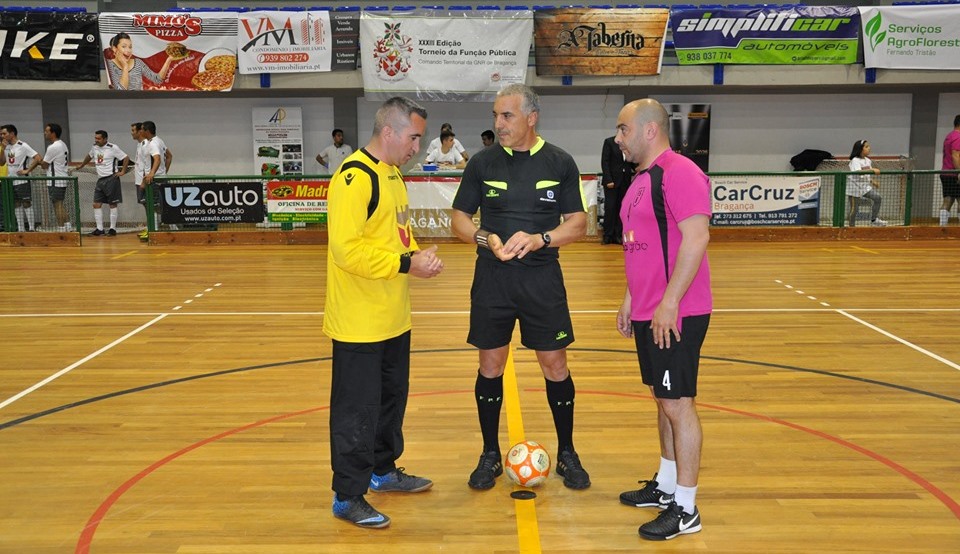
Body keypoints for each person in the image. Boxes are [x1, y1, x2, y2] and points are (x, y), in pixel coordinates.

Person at [451, 84, 591, 491]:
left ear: (532, 118)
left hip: (542, 281)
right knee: (490, 366)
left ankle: (567, 452)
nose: (498, 123)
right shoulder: (482, 163)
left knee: (556, 366)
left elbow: (578, 224)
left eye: (507, 116)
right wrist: (485, 238)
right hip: (492, 281)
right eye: (496, 115)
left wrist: (540, 239)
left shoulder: (560, 162)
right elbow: (459, 218)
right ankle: (489, 454)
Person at [324, 96, 443, 529]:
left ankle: (383, 470)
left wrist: (416, 254)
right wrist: (407, 264)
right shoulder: (354, 178)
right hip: (359, 321)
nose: (417, 147)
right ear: (389, 132)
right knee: (356, 410)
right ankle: (347, 495)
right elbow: (346, 250)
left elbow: (395, 236)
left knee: (391, 401)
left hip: (394, 317)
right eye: (413, 138)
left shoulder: (392, 175)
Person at [613, 98, 712, 541]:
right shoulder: (640, 181)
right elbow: (642, 246)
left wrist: (670, 301)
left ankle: (686, 509)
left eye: (622, 129)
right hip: (650, 309)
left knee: (678, 404)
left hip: (678, 311)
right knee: (662, 398)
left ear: (649, 130)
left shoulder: (681, 172)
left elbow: (696, 238)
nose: (618, 138)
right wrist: (631, 297)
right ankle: (667, 484)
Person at [76, 130, 130, 236]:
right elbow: (89, 156)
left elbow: (126, 158)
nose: (96, 140)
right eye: (95, 138)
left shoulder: (113, 147)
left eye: (99, 138)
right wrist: (82, 165)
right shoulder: (94, 147)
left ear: (105, 139)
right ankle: (99, 229)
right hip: (100, 179)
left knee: (112, 204)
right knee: (96, 204)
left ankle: (112, 229)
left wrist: (122, 171)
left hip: (111, 178)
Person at [23, 123, 71, 231]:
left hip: (56, 180)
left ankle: (61, 228)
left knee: (57, 204)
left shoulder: (53, 147)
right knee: (59, 204)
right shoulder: (62, 144)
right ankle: (68, 226)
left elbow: (45, 165)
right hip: (62, 178)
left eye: (47, 131)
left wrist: (38, 160)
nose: (45, 133)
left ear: (53, 133)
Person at [0, 124, 41, 232]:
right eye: (1, 134)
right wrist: (2, 149)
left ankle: (32, 228)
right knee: (16, 204)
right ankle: (21, 228)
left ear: (12, 133)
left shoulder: (23, 145)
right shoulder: (6, 146)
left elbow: (38, 158)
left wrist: (28, 170)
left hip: (22, 180)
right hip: (10, 180)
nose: (2, 136)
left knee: (26, 202)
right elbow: (1, 162)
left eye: (4, 133)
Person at [600, 135, 637, 245]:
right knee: (610, 208)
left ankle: (618, 235)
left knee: (622, 209)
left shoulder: (630, 143)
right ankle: (607, 235)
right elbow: (605, 162)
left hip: (625, 181)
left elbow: (631, 161)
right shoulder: (609, 142)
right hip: (612, 182)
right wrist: (608, 179)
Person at [106, 32, 172, 91]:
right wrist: (125, 67)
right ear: (115, 49)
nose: (128, 50)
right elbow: (120, 92)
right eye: (124, 46)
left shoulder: (138, 63)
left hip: (138, 103)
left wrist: (169, 59)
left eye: (130, 47)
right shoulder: (109, 65)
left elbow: (157, 80)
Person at [141, 120, 174, 236]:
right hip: (161, 177)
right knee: (163, 205)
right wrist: (164, 172)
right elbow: (169, 156)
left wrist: (152, 173)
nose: (140, 132)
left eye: (142, 129)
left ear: (147, 131)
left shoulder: (153, 144)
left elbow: (158, 159)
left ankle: (153, 231)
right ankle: (171, 227)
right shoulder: (160, 140)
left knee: (153, 205)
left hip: (155, 180)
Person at [846, 139, 887, 227]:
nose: (869, 148)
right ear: (860, 149)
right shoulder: (855, 160)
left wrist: (872, 181)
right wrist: (872, 169)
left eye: (869, 146)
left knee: (877, 198)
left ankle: (874, 220)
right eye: (866, 146)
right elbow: (859, 172)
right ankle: (851, 227)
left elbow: (866, 174)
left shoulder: (868, 160)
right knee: (854, 209)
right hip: (854, 188)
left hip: (865, 187)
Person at [940, 114, 960, 226]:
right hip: (954, 174)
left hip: (945, 173)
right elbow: (955, 155)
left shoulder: (949, 136)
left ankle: (942, 228)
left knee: (948, 200)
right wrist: (959, 172)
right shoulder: (958, 137)